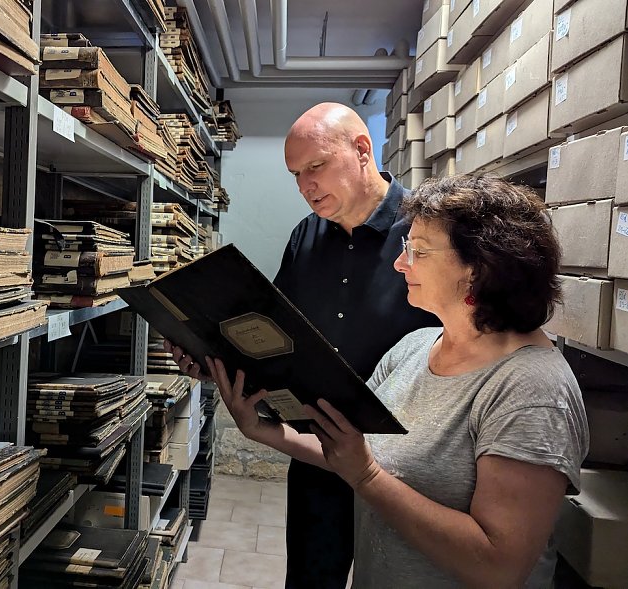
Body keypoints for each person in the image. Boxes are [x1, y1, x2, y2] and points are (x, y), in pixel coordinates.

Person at [204, 174, 589, 588]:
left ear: (480, 269)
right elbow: (352, 449)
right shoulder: (417, 347)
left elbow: (499, 565)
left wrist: (367, 477)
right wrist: (265, 431)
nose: (400, 263)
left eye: (418, 251)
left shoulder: (532, 391)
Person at [165, 102, 438, 588]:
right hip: (319, 452)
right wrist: (213, 358)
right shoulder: (305, 235)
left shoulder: (427, 232)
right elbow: (272, 336)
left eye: (316, 166)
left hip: (408, 465)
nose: (305, 185)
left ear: (361, 150)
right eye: (295, 174)